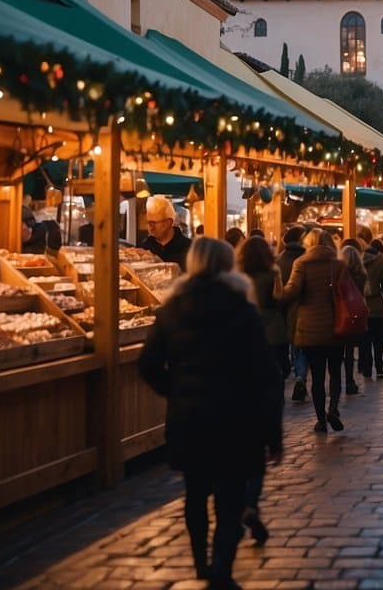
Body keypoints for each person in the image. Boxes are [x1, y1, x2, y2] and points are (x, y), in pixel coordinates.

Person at [137, 237, 283, 587]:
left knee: (195, 492)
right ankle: (221, 566)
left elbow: (147, 363)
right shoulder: (242, 309)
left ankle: (201, 563)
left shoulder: (173, 307)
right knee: (230, 496)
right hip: (236, 418)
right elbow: (266, 374)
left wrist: (174, 390)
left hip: (190, 418)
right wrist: (272, 433)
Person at [282, 229, 348, 433]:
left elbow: (291, 293)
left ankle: (320, 420)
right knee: (335, 371)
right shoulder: (338, 264)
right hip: (337, 327)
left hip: (310, 328)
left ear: (308, 243)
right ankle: (333, 409)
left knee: (317, 377)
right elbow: (348, 292)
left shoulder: (301, 264)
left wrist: (277, 288)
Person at [236, 235, 289, 380]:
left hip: (247, 326)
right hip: (273, 327)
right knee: (277, 371)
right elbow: (278, 296)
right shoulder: (272, 272)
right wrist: (278, 278)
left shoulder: (239, 274)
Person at [277, 226, 309, 403]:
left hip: (286, 309)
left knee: (292, 345)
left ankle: (297, 373)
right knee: (301, 347)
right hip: (306, 308)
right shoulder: (306, 259)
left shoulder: (278, 261)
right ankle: (300, 375)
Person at [339, 244, 369, 396]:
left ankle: (339, 381)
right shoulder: (361, 276)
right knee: (350, 350)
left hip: (340, 314)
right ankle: (350, 381)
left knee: (339, 351)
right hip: (355, 314)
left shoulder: (338, 275)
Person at [362, 239, 383, 378]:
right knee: (378, 339)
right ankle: (379, 367)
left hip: (362, 305)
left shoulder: (357, 260)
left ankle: (367, 369)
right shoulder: (380, 260)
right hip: (378, 305)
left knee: (365, 340)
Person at [140, 195, 191, 269]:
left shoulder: (189, 248)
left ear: (168, 223)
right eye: (148, 223)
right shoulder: (145, 247)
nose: (151, 227)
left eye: (154, 222)